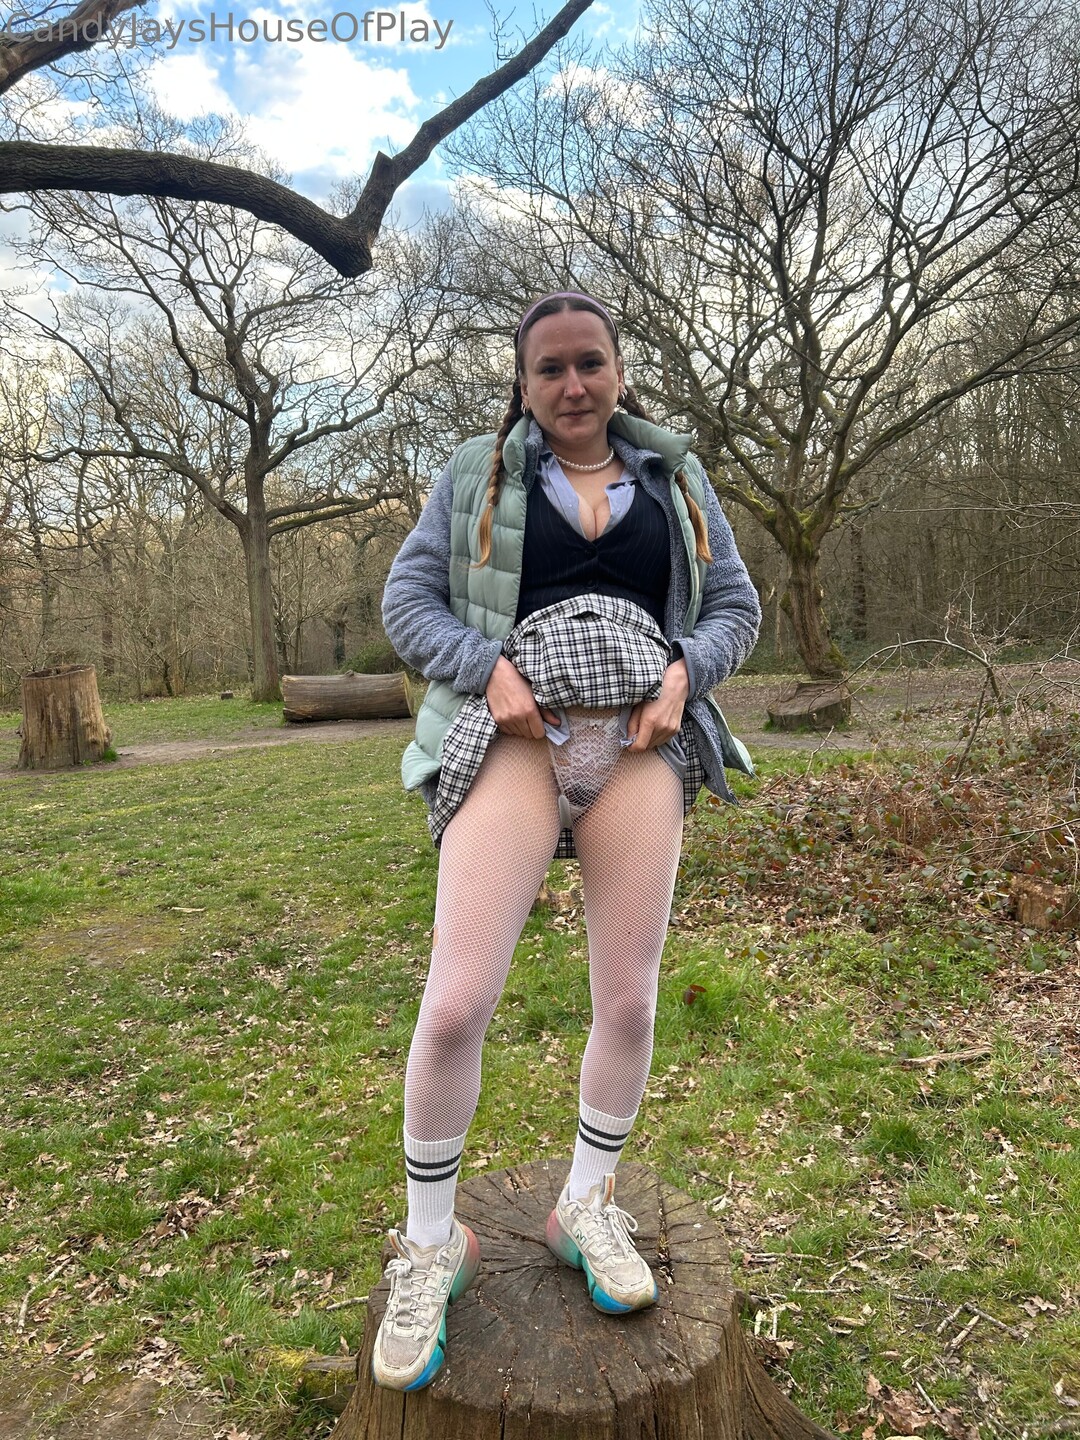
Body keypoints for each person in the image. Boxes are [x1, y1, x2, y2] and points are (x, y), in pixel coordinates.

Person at [374, 290, 761, 1391]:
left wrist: (685, 677)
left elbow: (735, 607)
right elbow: (408, 602)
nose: (573, 384)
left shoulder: (677, 478)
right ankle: (433, 1243)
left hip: (639, 745)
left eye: (590, 362)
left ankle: (585, 1204)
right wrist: (484, 670)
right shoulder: (477, 476)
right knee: (457, 1003)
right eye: (550, 369)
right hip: (518, 742)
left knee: (628, 1000)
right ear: (525, 382)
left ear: (619, 370)